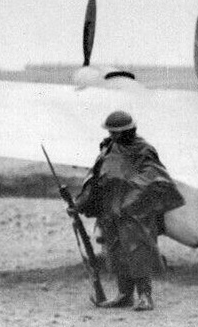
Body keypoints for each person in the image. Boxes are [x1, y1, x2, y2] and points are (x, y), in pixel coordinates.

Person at [73, 110, 184, 311]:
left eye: (117, 132)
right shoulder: (107, 149)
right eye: (110, 132)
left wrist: (131, 194)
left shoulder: (143, 150)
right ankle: (124, 295)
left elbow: (153, 176)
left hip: (134, 211)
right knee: (115, 251)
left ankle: (144, 296)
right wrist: (82, 201)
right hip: (110, 209)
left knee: (138, 250)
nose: (113, 136)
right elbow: (96, 176)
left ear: (130, 130)